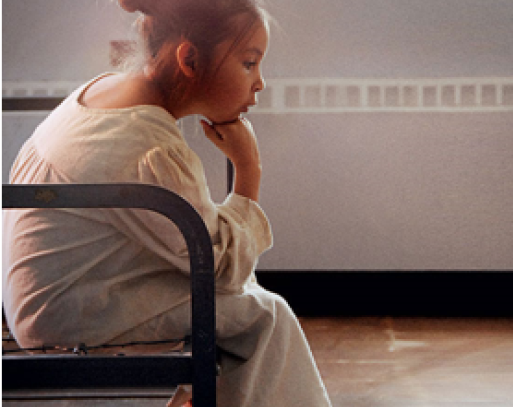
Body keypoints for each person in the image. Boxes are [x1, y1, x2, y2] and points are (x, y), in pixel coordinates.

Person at [2, 0, 332, 406]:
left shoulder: (101, 93)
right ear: (189, 59)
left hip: (42, 300)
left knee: (242, 301)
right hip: (71, 318)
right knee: (264, 316)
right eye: (249, 63)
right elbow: (221, 270)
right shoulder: (150, 149)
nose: (259, 82)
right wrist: (249, 170)